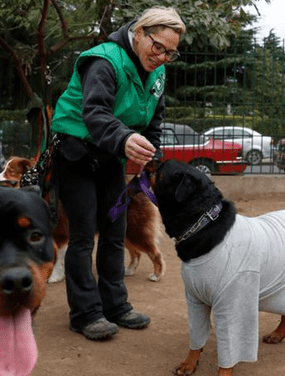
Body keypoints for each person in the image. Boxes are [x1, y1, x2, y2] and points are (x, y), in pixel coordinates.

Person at [51, 6, 186, 340]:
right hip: (77, 153)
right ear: (139, 33)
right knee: (83, 236)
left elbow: (155, 117)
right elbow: (94, 111)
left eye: (171, 52)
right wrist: (125, 138)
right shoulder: (105, 61)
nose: (163, 57)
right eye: (158, 47)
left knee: (115, 230)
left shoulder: (157, 72)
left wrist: (151, 153)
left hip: (111, 154)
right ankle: (85, 313)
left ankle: (116, 306)